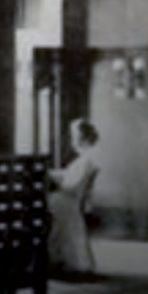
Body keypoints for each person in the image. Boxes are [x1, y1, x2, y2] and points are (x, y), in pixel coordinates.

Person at [47, 118, 100, 278]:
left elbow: (70, 186)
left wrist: (52, 177)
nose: (72, 140)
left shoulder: (86, 159)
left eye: (74, 136)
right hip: (70, 200)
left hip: (67, 199)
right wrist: (54, 174)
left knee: (45, 203)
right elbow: (69, 176)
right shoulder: (87, 158)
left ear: (83, 138)